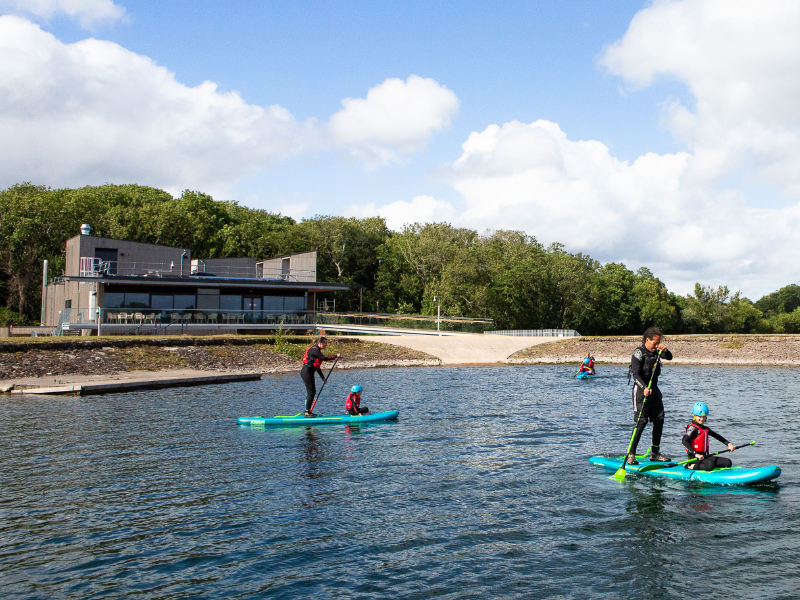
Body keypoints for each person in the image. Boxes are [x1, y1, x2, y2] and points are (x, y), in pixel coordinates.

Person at [627, 326, 673, 464]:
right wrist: (644, 387)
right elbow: (635, 375)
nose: (657, 345)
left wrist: (665, 350)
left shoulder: (658, 352)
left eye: (658, 343)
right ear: (647, 340)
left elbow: (669, 357)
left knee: (659, 419)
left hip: (654, 391)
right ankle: (631, 454)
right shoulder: (638, 353)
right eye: (655, 343)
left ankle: (654, 453)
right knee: (642, 422)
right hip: (641, 390)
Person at [682, 402, 736, 470]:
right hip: (694, 458)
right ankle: (690, 466)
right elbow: (684, 441)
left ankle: (707, 465)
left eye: (704, 416)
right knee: (710, 465)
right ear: (695, 416)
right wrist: (696, 454)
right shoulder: (692, 429)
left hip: (705, 457)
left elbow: (717, 436)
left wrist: (729, 444)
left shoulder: (705, 429)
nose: (702, 419)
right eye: (700, 416)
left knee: (728, 462)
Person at [301, 336, 340, 417]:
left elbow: (317, 367)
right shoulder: (315, 350)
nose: (326, 345)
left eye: (326, 343)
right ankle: (307, 412)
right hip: (306, 372)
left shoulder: (316, 351)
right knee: (311, 392)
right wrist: (335, 356)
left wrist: (323, 378)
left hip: (308, 372)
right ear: (320, 343)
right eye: (324, 343)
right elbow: (324, 358)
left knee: (312, 392)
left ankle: (308, 411)